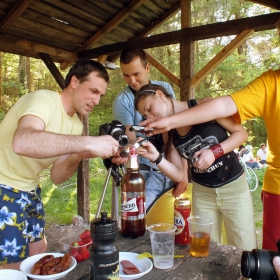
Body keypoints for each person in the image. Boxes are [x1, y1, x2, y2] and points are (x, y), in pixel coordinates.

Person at [140, 59, 280, 251]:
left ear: (160, 95)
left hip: (233, 188)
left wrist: (215, 152)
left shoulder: (205, 105)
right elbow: (180, 175)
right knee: (207, 250)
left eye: (149, 109)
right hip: (202, 193)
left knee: (244, 248)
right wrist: (156, 157)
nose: (150, 117)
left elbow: (242, 134)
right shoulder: (167, 133)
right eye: (145, 116)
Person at [0, 60, 120, 269]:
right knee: (12, 266)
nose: (97, 100)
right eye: (93, 91)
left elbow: (57, 176)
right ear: (74, 81)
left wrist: (80, 153)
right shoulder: (44, 100)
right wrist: (88, 141)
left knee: (37, 254)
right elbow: (23, 141)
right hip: (4, 185)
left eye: (100, 95)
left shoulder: (75, 124)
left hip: (30, 189)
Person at [112, 47, 186, 212]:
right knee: (138, 214)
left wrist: (183, 172)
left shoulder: (164, 87)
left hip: (172, 162)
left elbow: (176, 130)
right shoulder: (122, 101)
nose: (132, 81)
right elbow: (131, 139)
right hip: (144, 169)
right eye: (126, 75)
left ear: (147, 68)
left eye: (136, 74)